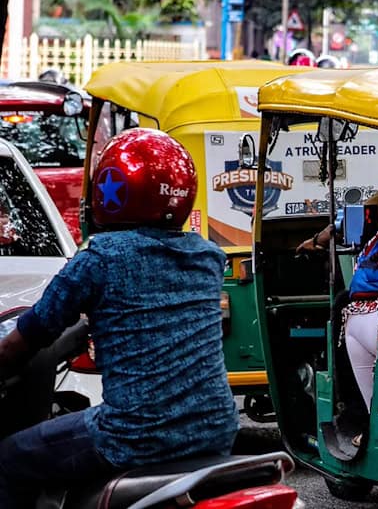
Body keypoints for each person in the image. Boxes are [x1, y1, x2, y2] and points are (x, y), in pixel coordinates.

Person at [0, 128, 239, 507]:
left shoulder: (99, 259)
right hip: (215, 429)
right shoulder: (207, 256)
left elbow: (25, 339)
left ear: (111, 189)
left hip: (134, 435)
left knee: (11, 457)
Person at [297, 185, 378, 445]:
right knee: (342, 303)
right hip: (371, 306)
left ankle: (356, 414)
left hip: (375, 310)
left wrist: (317, 241)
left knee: (342, 311)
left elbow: (353, 219)